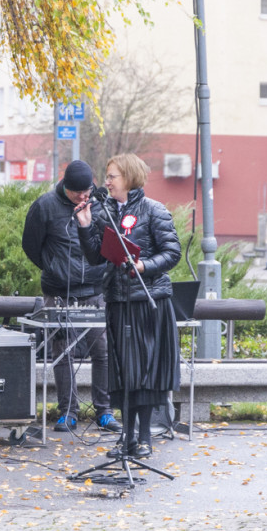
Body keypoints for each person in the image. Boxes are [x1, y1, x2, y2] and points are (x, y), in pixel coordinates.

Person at [75, 153, 181, 459]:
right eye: (106, 176)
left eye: (112, 176)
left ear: (130, 178)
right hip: (118, 300)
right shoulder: (104, 211)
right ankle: (126, 437)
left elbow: (171, 252)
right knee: (121, 372)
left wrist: (145, 265)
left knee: (143, 373)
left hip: (147, 302)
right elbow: (96, 257)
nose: (106, 182)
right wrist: (85, 226)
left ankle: (145, 437)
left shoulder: (153, 210)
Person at [21, 160, 120, 435]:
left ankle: (105, 411)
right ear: (65, 186)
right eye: (77, 192)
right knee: (62, 352)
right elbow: (30, 245)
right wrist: (54, 267)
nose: (82, 197)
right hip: (58, 291)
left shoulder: (100, 204)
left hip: (94, 290)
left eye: (86, 191)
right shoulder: (44, 206)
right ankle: (68, 412)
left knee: (102, 351)